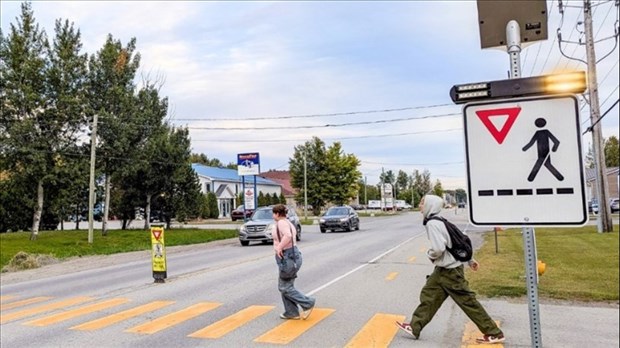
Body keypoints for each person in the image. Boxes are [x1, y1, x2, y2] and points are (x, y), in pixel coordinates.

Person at [395, 194, 505, 344]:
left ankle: (494, 333)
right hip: (443, 269)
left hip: (451, 271)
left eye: (422, 203)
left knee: (468, 302)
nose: (420, 206)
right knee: (429, 295)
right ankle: (415, 326)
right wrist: (469, 260)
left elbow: (439, 248)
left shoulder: (432, 224)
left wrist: (430, 254)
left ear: (430, 206)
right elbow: (456, 241)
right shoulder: (440, 221)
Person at [272, 204, 315, 320]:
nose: (273, 216)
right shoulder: (288, 222)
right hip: (292, 255)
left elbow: (288, 235)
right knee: (287, 286)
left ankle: (308, 303)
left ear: (277, 214)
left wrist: (279, 247)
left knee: (284, 287)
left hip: (287, 256)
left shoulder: (281, 223)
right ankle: (291, 312)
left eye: (273, 213)